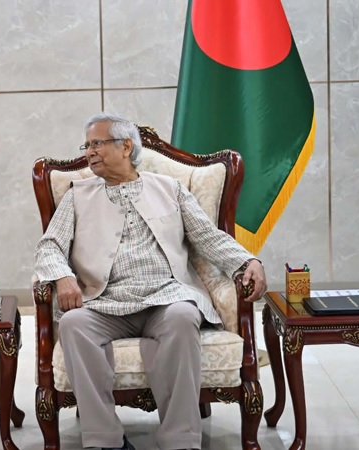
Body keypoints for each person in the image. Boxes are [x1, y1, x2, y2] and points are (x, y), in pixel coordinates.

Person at [34, 113, 267, 450]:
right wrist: (63, 276)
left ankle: (180, 440)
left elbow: (208, 237)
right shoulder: (77, 196)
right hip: (104, 303)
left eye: (97, 143)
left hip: (165, 298)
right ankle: (105, 440)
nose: (90, 152)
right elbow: (49, 246)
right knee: (73, 324)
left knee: (184, 316)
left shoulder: (169, 188)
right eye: (86, 146)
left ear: (126, 146)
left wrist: (247, 261)